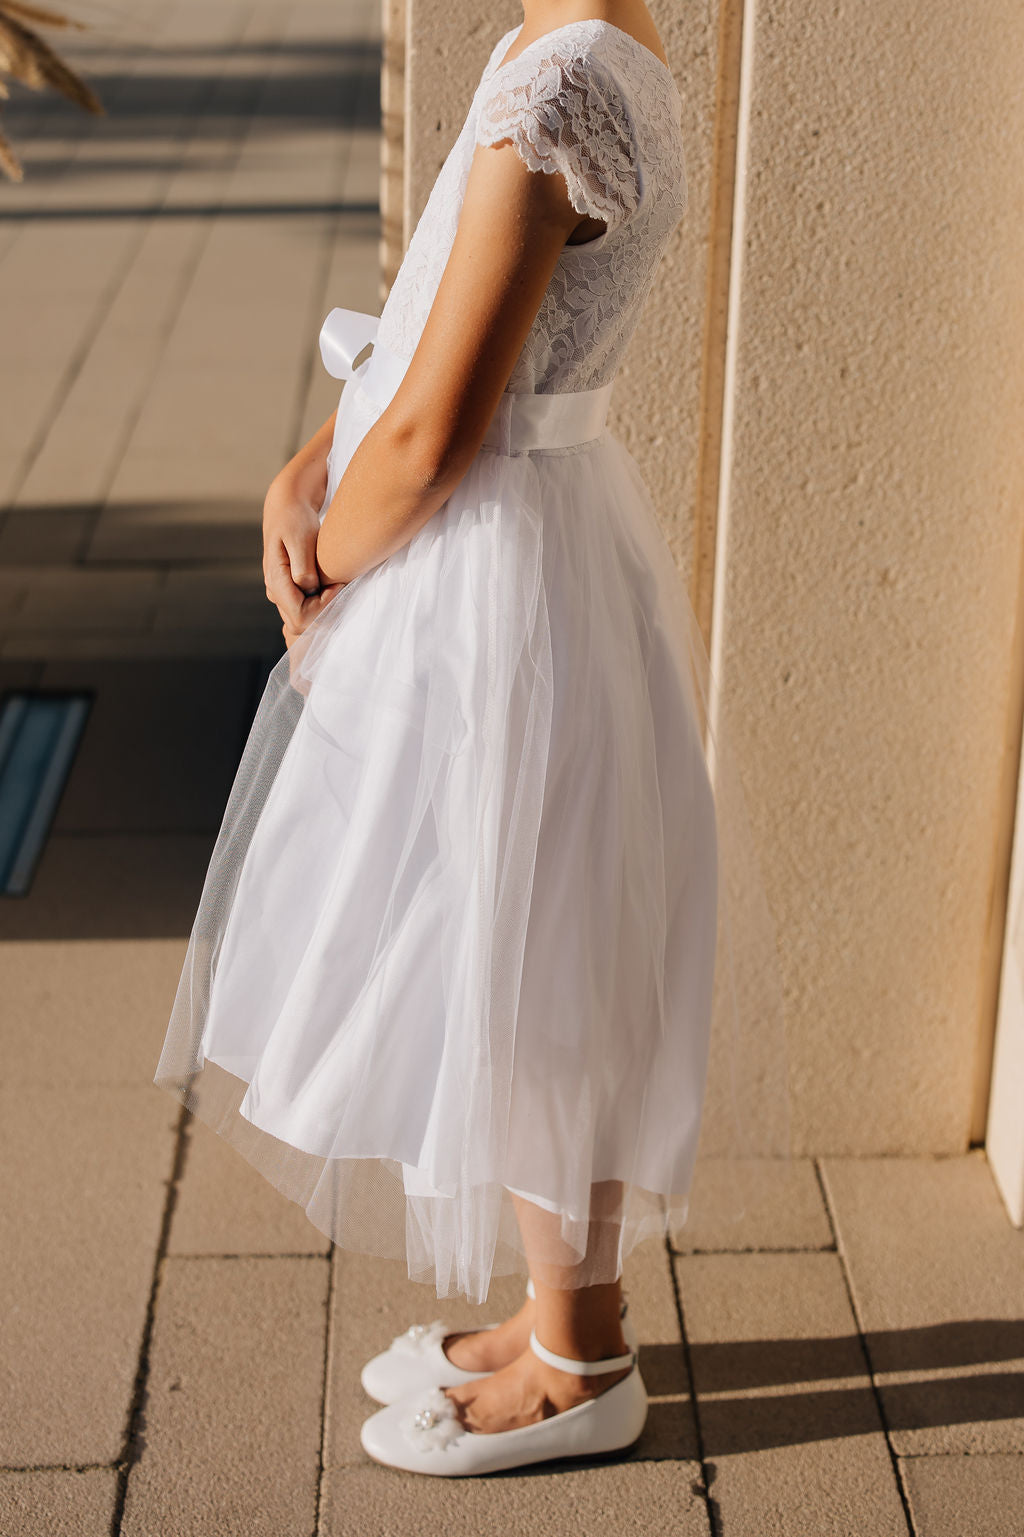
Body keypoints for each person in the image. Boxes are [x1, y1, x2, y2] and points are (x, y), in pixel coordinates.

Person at [155, 0, 791, 1477]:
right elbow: (437, 313)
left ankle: (583, 1364)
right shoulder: (569, 50)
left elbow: (442, 429)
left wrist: (335, 574)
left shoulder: (561, 84)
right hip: (520, 552)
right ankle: (562, 1306)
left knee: (524, 948)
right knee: (504, 930)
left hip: (481, 571)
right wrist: (312, 463)